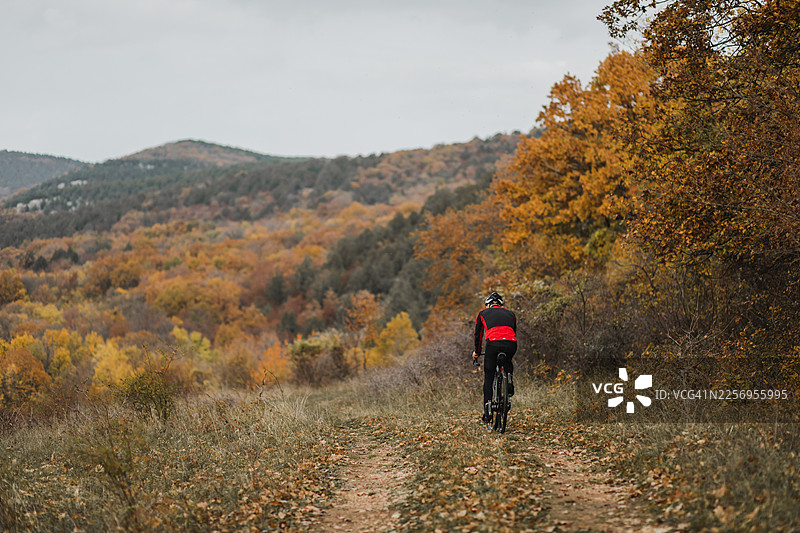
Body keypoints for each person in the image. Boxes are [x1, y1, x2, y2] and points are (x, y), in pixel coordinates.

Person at [472, 291, 517, 425]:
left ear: (488, 305)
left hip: (493, 344)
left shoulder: (482, 314)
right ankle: (508, 379)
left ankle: (488, 412)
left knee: (489, 376)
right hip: (511, 343)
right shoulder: (511, 314)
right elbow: (513, 331)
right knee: (508, 361)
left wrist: (477, 352)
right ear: (501, 304)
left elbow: (478, 335)